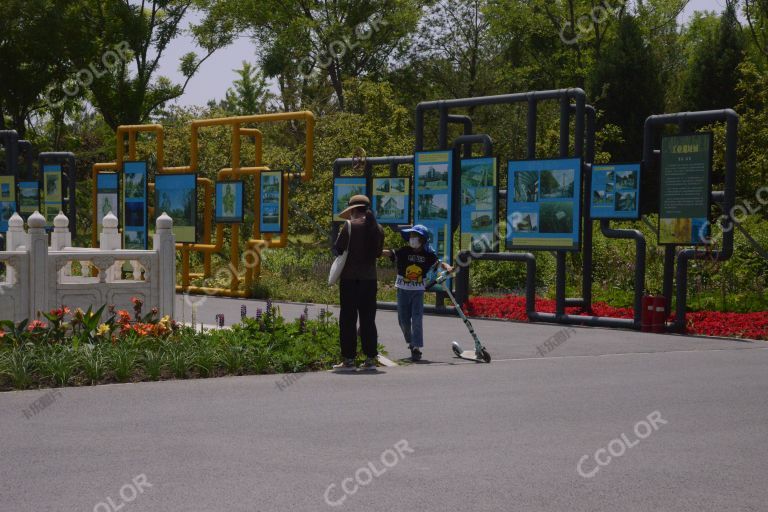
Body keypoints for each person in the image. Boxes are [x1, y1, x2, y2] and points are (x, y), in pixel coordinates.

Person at [382, 225, 452, 361]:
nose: (412, 239)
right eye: (411, 236)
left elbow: (439, 264)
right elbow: (390, 253)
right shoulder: (404, 251)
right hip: (403, 289)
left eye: (415, 236)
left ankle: (416, 347)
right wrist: (376, 251)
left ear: (422, 239)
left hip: (418, 291)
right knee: (403, 320)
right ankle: (411, 341)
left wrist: (448, 267)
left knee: (417, 318)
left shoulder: (428, 255)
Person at [332, 195, 385, 371]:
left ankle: (348, 360)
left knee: (348, 319)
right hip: (369, 280)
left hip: (350, 280)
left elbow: (338, 249)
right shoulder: (378, 228)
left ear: (353, 210)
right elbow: (378, 253)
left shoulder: (348, 226)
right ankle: (370, 359)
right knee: (368, 320)